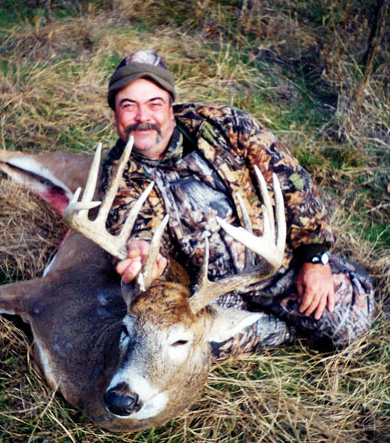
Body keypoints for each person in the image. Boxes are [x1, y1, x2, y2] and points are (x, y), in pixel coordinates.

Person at [102, 50, 374, 353]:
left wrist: (314, 257)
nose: (143, 117)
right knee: (187, 347)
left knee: (349, 325)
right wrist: (143, 256)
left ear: (170, 106)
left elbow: (291, 180)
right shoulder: (118, 176)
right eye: (129, 106)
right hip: (209, 291)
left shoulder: (225, 126)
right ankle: (279, 330)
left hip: (279, 267)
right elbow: (136, 228)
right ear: (115, 112)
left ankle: (343, 276)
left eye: (154, 103)